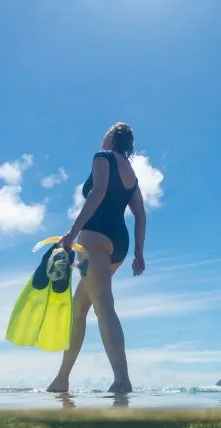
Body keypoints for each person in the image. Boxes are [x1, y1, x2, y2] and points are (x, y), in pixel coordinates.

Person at [46, 122, 146, 394]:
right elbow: (141, 214)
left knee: (104, 306)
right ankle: (61, 379)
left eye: (107, 131)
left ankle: (122, 380)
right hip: (119, 243)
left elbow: (98, 192)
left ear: (112, 137)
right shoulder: (132, 175)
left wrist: (71, 232)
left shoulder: (102, 157)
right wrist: (138, 253)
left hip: (95, 236)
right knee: (78, 311)